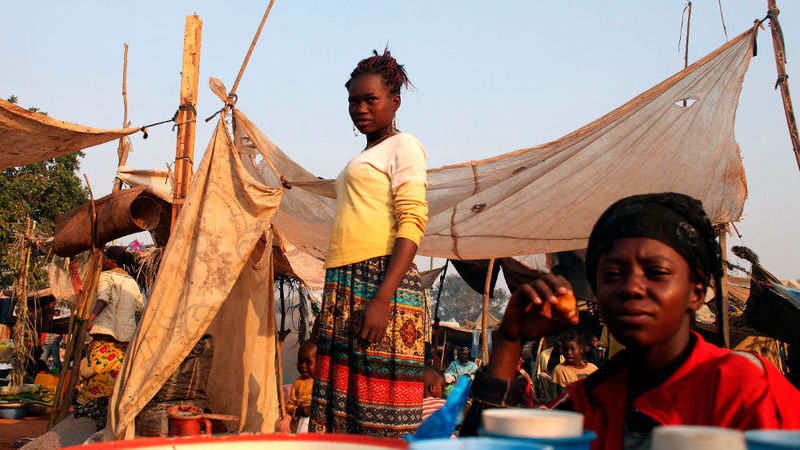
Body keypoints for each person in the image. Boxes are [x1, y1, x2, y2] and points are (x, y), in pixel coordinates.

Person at [462, 193, 800, 449]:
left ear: (696, 291)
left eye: (656, 273)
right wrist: (508, 340)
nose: (631, 288)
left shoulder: (745, 387)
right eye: (612, 274)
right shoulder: (588, 401)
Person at [310, 49, 428, 438]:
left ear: (395, 102)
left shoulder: (404, 146)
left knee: (378, 411)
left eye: (370, 99)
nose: (360, 108)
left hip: (379, 279)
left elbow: (412, 223)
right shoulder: (366, 154)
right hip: (345, 281)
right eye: (353, 100)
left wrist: (381, 299)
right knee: (342, 409)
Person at [78, 246, 144, 429]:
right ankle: (110, 420)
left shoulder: (106, 276)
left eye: (104, 258)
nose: (102, 261)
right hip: (125, 338)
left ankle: (91, 421)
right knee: (116, 380)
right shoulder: (132, 282)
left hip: (105, 335)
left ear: (111, 261)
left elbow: (103, 299)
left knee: (98, 376)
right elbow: (140, 307)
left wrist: (90, 318)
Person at [551, 329, 597, 397]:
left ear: (581, 349)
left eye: (572, 349)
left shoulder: (593, 368)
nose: (568, 352)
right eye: (565, 349)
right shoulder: (560, 370)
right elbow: (558, 398)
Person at [287, 341, 316, 433]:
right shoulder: (297, 382)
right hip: (299, 427)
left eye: (308, 362)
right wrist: (298, 410)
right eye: (300, 361)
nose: (303, 365)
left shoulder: (321, 383)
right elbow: (289, 406)